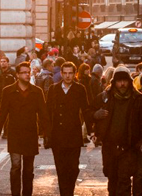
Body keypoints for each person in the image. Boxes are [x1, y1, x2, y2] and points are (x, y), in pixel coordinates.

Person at [90, 66, 142, 196]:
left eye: (125, 81)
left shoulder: (137, 99)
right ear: (114, 82)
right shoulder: (104, 97)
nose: (122, 84)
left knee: (124, 181)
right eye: (119, 81)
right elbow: (88, 111)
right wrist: (95, 115)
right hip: (109, 147)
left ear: (130, 82)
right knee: (112, 180)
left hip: (129, 147)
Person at [0, 62, 49, 196]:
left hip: (30, 134)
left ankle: (27, 194)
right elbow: (2, 115)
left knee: (28, 169)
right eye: (23, 72)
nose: (26, 75)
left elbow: (43, 114)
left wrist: (47, 134)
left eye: (28, 72)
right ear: (17, 75)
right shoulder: (8, 91)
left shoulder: (37, 91)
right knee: (15, 166)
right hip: (15, 134)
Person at [44, 62, 91, 196]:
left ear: (75, 74)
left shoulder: (80, 89)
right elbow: (47, 112)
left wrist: (91, 131)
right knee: (61, 169)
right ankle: (66, 193)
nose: (67, 76)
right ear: (61, 73)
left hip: (74, 134)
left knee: (73, 168)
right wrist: (46, 133)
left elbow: (85, 110)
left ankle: (68, 191)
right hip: (57, 136)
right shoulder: (53, 89)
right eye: (65, 73)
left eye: (70, 73)